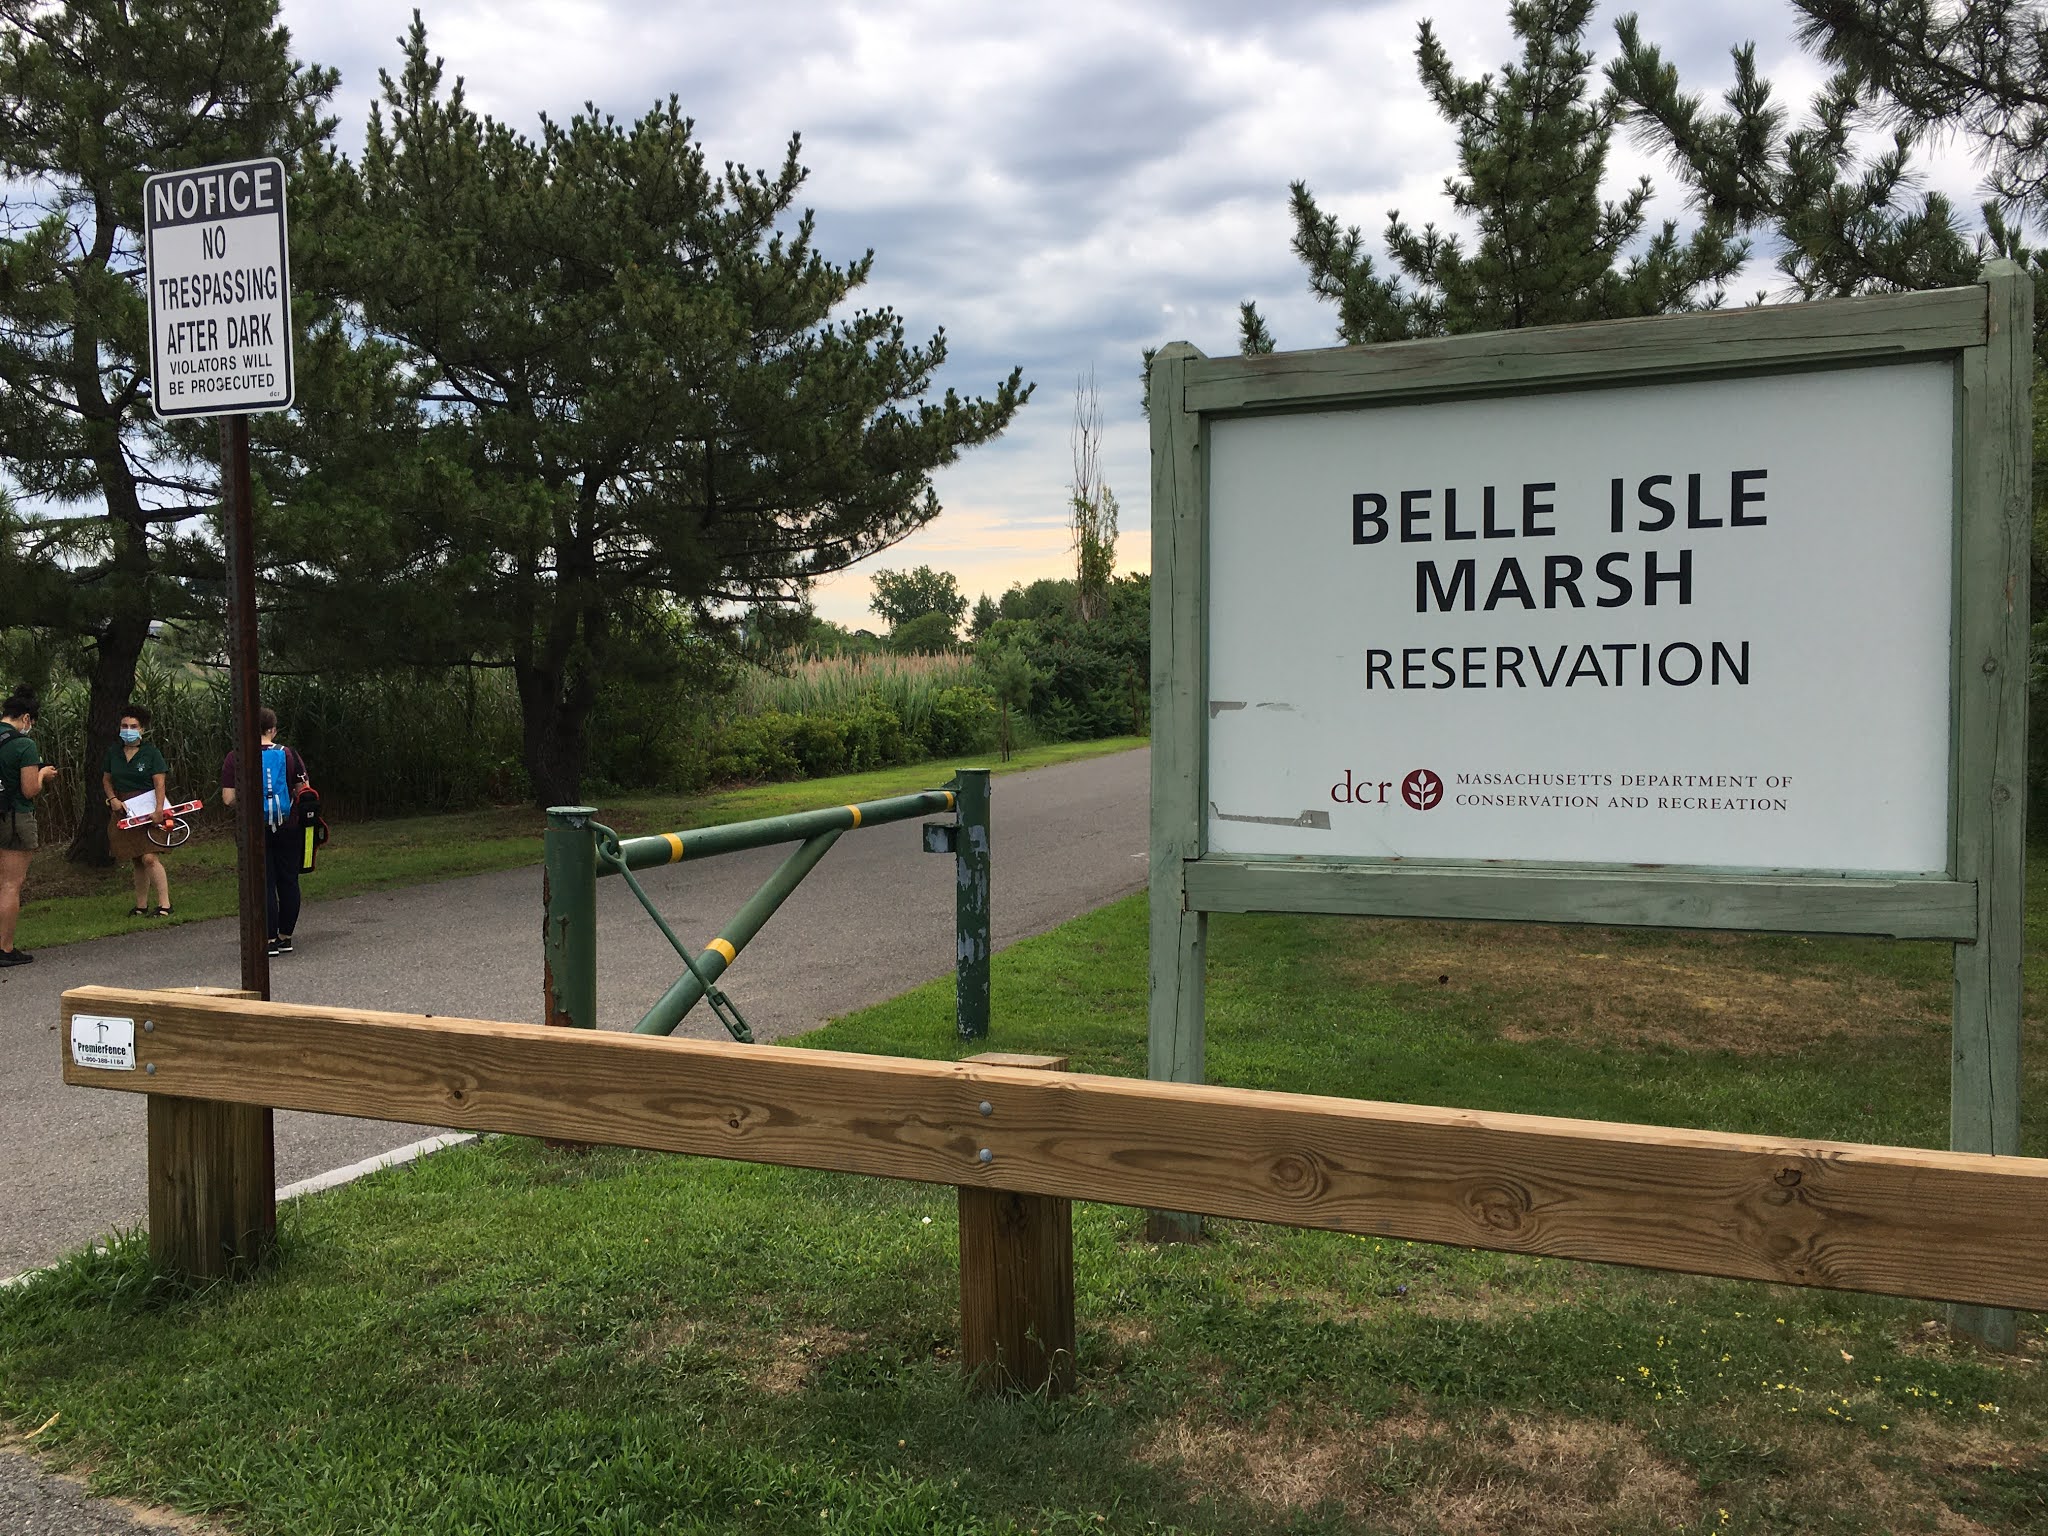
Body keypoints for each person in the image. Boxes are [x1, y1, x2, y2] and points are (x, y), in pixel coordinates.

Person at [220, 706, 309, 957]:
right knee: (288, 880)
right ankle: (285, 937)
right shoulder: (289, 754)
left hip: (253, 829)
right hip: (288, 825)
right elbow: (304, 789)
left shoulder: (235, 757)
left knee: (263, 882)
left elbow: (228, 799)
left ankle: (268, 939)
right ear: (273, 730)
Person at [0, 685, 61, 967]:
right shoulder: (24, 745)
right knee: (11, 884)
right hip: (14, 818)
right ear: (26, 718)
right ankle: (5, 947)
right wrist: (42, 774)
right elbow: (29, 790)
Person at [101, 702, 174, 918]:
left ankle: (165, 904)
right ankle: (141, 905)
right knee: (136, 858)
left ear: (142, 729)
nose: (128, 730)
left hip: (148, 807)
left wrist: (159, 810)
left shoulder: (151, 753)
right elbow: (106, 779)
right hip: (124, 808)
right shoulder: (114, 752)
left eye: (133, 726)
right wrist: (113, 799)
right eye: (125, 726)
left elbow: (159, 783)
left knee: (149, 857)